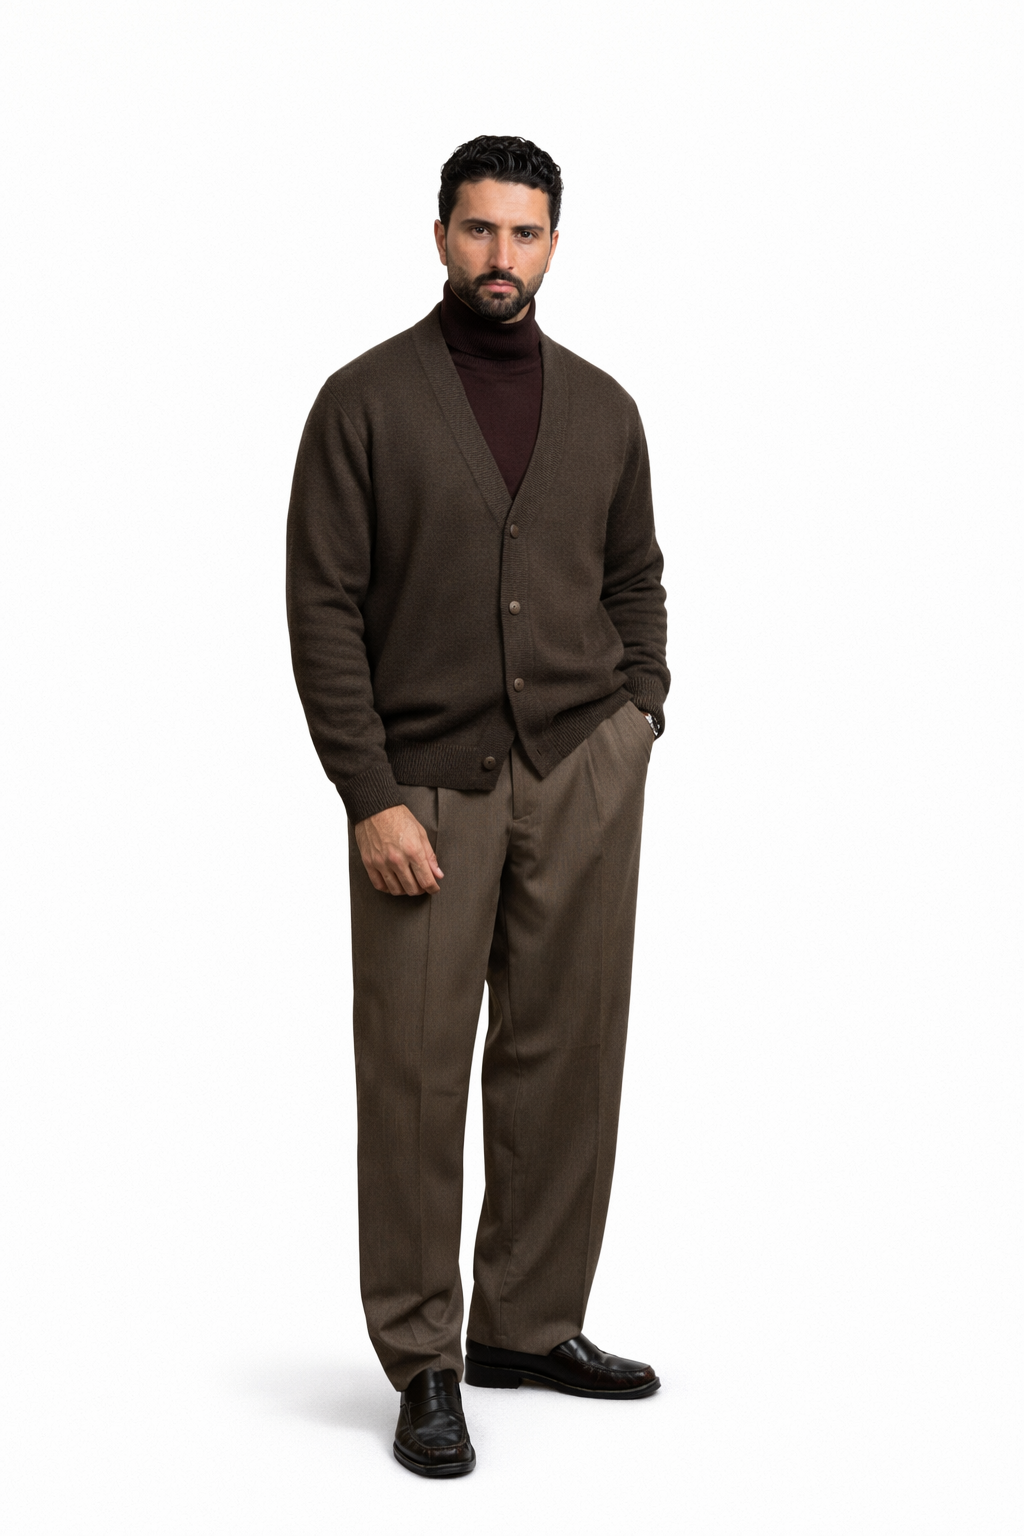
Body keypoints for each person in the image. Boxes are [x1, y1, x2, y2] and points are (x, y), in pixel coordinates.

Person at [286, 135, 670, 1478]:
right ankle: (424, 1358)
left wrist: (638, 718)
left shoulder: (606, 409)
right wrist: (368, 795)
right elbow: (323, 610)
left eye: (526, 232)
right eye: (479, 229)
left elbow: (636, 576)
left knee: (569, 1053)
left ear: (555, 243)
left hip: (582, 773)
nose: (501, 256)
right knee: (413, 1074)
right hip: (425, 794)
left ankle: (527, 1322)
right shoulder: (364, 402)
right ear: (440, 234)